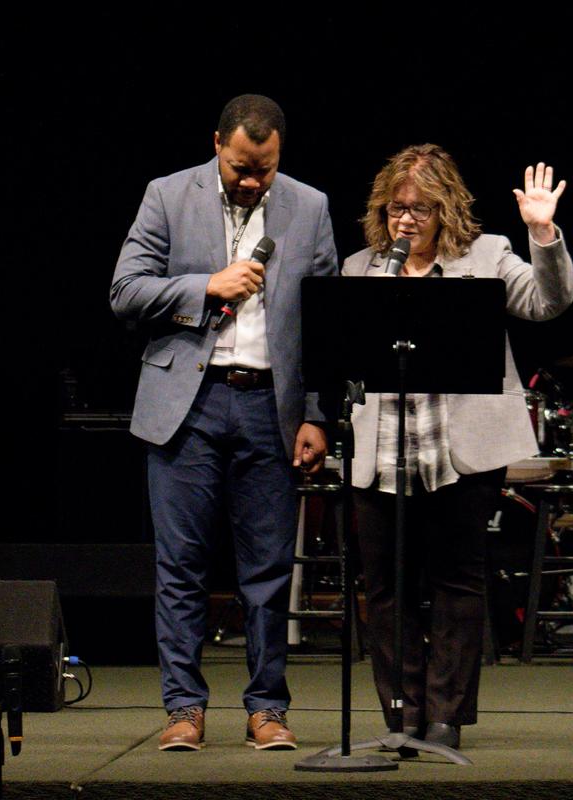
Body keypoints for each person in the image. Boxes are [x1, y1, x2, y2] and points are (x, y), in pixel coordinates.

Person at [110, 94, 335, 752]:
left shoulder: (310, 206)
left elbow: (326, 323)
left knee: (268, 570)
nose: (251, 181)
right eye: (240, 167)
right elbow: (125, 290)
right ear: (217, 145)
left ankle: (267, 708)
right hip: (190, 404)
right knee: (181, 566)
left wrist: (316, 415)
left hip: (270, 406)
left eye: (264, 169)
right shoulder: (167, 195)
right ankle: (184, 708)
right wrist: (205, 285)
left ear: (279, 155)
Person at [342, 144, 573, 749]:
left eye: (420, 208)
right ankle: (402, 713)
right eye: (396, 208)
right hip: (381, 451)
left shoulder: (487, 255)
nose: (407, 220)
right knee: (386, 589)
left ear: (445, 208)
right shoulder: (361, 268)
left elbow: (547, 302)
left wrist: (542, 233)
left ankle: (446, 715)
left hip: (460, 451)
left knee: (456, 582)